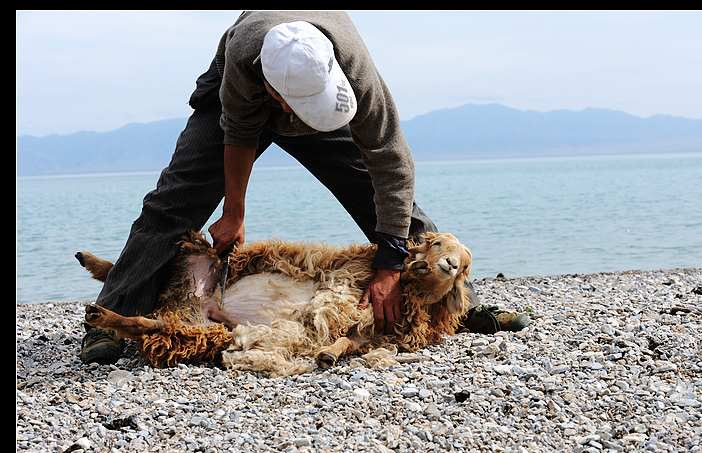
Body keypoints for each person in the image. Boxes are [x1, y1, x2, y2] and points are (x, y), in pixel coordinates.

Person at [81, 11, 530, 364]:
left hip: (328, 102)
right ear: (275, 92)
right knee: (172, 205)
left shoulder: (353, 72)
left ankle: (457, 306)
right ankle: (111, 316)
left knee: (396, 211)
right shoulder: (244, 61)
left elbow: (392, 165)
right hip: (238, 96)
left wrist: (392, 264)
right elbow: (237, 135)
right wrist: (234, 213)